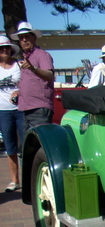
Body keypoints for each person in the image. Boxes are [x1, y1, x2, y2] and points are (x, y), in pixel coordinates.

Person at [10, 22, 54, 130]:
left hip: (39, 108)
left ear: (34, 37)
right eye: (21, 38)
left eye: (27, 36)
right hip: (26, 109)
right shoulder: (26, 59)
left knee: (38, 143)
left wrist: (33, 68)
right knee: (28, 144)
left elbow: (49, 75)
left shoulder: (42, 55)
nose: (24, 40)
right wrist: (18, 92)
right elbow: (31, 83)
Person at [0, 35, 24, 192]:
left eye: (7, 47)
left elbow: (29, 85)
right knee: (10, 146)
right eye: (1, 48)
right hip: (3, 111)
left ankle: (29, 177)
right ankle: (15, 181)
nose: (4, 50)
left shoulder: (20, 66)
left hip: (20, 110)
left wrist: (18, 90)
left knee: (26, 143)